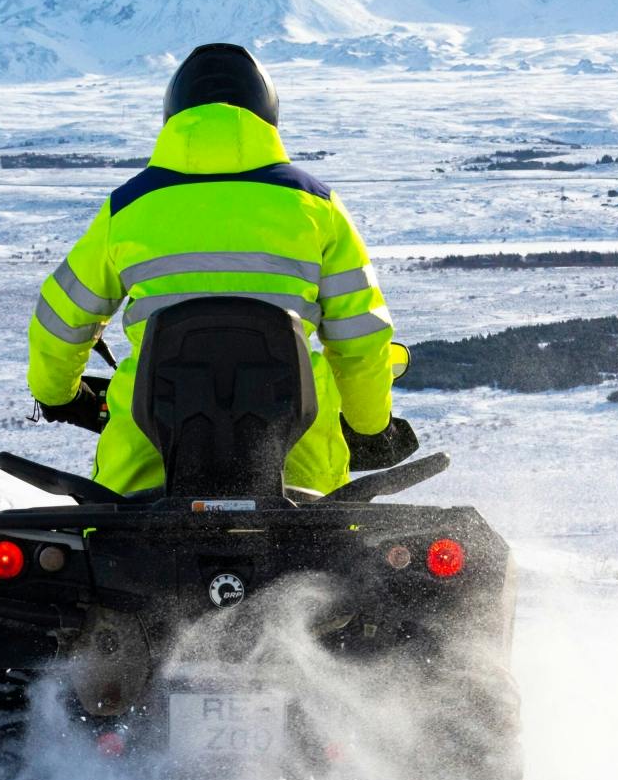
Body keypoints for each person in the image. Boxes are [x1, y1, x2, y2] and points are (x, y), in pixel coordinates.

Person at [26, 42, 416, 495]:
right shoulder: (318, 207)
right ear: (268, 116)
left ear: (173, 116)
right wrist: (370, 427)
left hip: (147, 461)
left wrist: (59, 395)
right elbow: (360, 340)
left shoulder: (128, 208)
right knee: (331, 533)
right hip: (299, 461)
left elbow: (60, 321)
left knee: (110, 526)